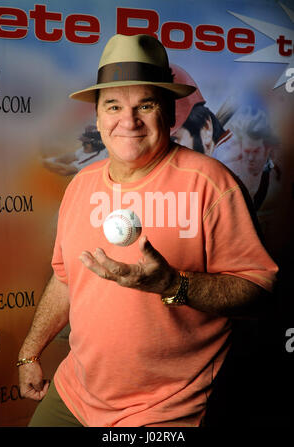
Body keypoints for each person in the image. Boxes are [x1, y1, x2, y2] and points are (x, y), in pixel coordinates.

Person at [17, 33, 278, 428]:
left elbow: (258, 291)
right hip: (76, 394)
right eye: (114, 106)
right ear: (98, 117)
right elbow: (65, 278)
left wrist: (174, 285)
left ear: (170, 113)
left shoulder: (210, 184)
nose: (129, 121)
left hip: (167, 408)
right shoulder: (81, 185)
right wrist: (30, 352)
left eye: (146, 104)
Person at [42, 125, 107, 176]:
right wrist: (52, 160)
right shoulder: (92, 148)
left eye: (86, 142)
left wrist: (44, 163)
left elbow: (65, 171)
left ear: (96, 144)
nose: (83, 144)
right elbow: (72, 156)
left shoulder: (96, 159)